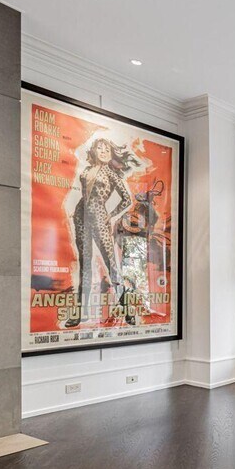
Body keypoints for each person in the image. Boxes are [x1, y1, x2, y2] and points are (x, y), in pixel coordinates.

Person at [65, 137, 140, 328]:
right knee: (85, 266)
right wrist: (76, 212)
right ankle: (81, 313)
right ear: (94, 151)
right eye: (100, 148)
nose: (104, 151)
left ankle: (127, 310)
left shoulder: (111, 173)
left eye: (107, 149)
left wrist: (111, 215)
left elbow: (127, 199)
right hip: (81, 217)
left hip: (100, 219)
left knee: (111, 265)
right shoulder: (86, 170)